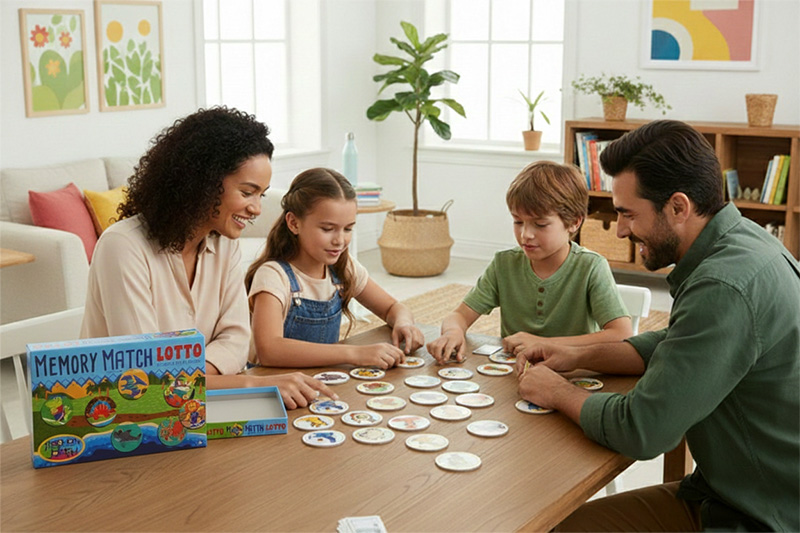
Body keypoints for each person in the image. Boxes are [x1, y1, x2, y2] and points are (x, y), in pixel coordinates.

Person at [517, 120, 800, 532]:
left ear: (678, 207)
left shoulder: (723, 285)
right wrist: (577, 355)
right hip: (741, 490)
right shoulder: (745, 242)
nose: (620, 230)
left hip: (761, 514)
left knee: (551, 526)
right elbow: (680, 344)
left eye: (629, 214)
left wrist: (556, 391)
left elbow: (642, 429)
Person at [80, 107, 334, 409]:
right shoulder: (123, 247)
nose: (256, 209)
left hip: (194, 409)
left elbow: (237, 340)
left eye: (260, 195)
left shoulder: (224, 244)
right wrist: (250, 384)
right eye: (247, 192)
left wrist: (187, 381)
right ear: (204, 181)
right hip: (121, 421)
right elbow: (144, 377)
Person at [426, 160, 632, 364]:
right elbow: (459, 316)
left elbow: (621, 334)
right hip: (515, 374)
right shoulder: (504, 264)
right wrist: (453, 332)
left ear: (574, 222)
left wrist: (544, 344)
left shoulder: (591, 267)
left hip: (572, 373)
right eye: (518, 222)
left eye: (540, 224)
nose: (526, 234)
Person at [246, 167, 424, 369]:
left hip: (321, 378)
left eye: (348, 228)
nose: (340, 240)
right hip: (275, 385)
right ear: (294, 223)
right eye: (327, 229)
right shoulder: (273, 276)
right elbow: (270, 350)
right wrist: (354, 353)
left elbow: (393, 308)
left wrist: (404, 323)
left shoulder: (343, 268)